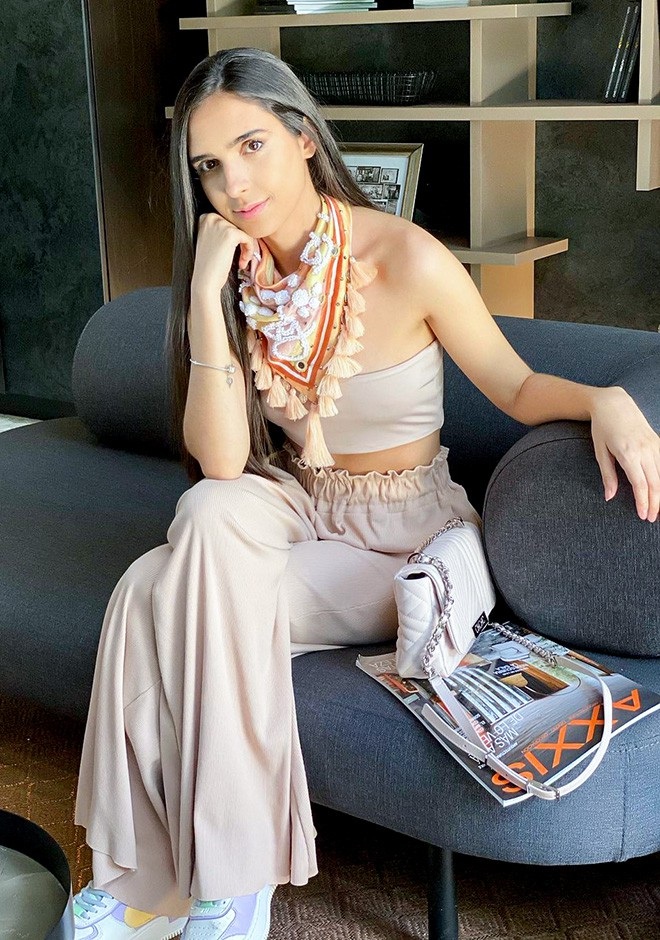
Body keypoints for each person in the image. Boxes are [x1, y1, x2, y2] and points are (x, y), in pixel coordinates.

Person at [72, 46, 660, 940]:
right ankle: (167, 876)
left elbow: (514, 386)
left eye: (252, 146)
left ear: (304, 138)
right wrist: (203, 295)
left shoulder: (407, 258)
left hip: (399, 532)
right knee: (202, 512)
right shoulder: (236, 277)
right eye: (210, 166)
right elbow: (222, 464)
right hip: (292, 503)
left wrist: (605, 398)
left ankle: (213, 881)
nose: (234, 183)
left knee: (153, 591)